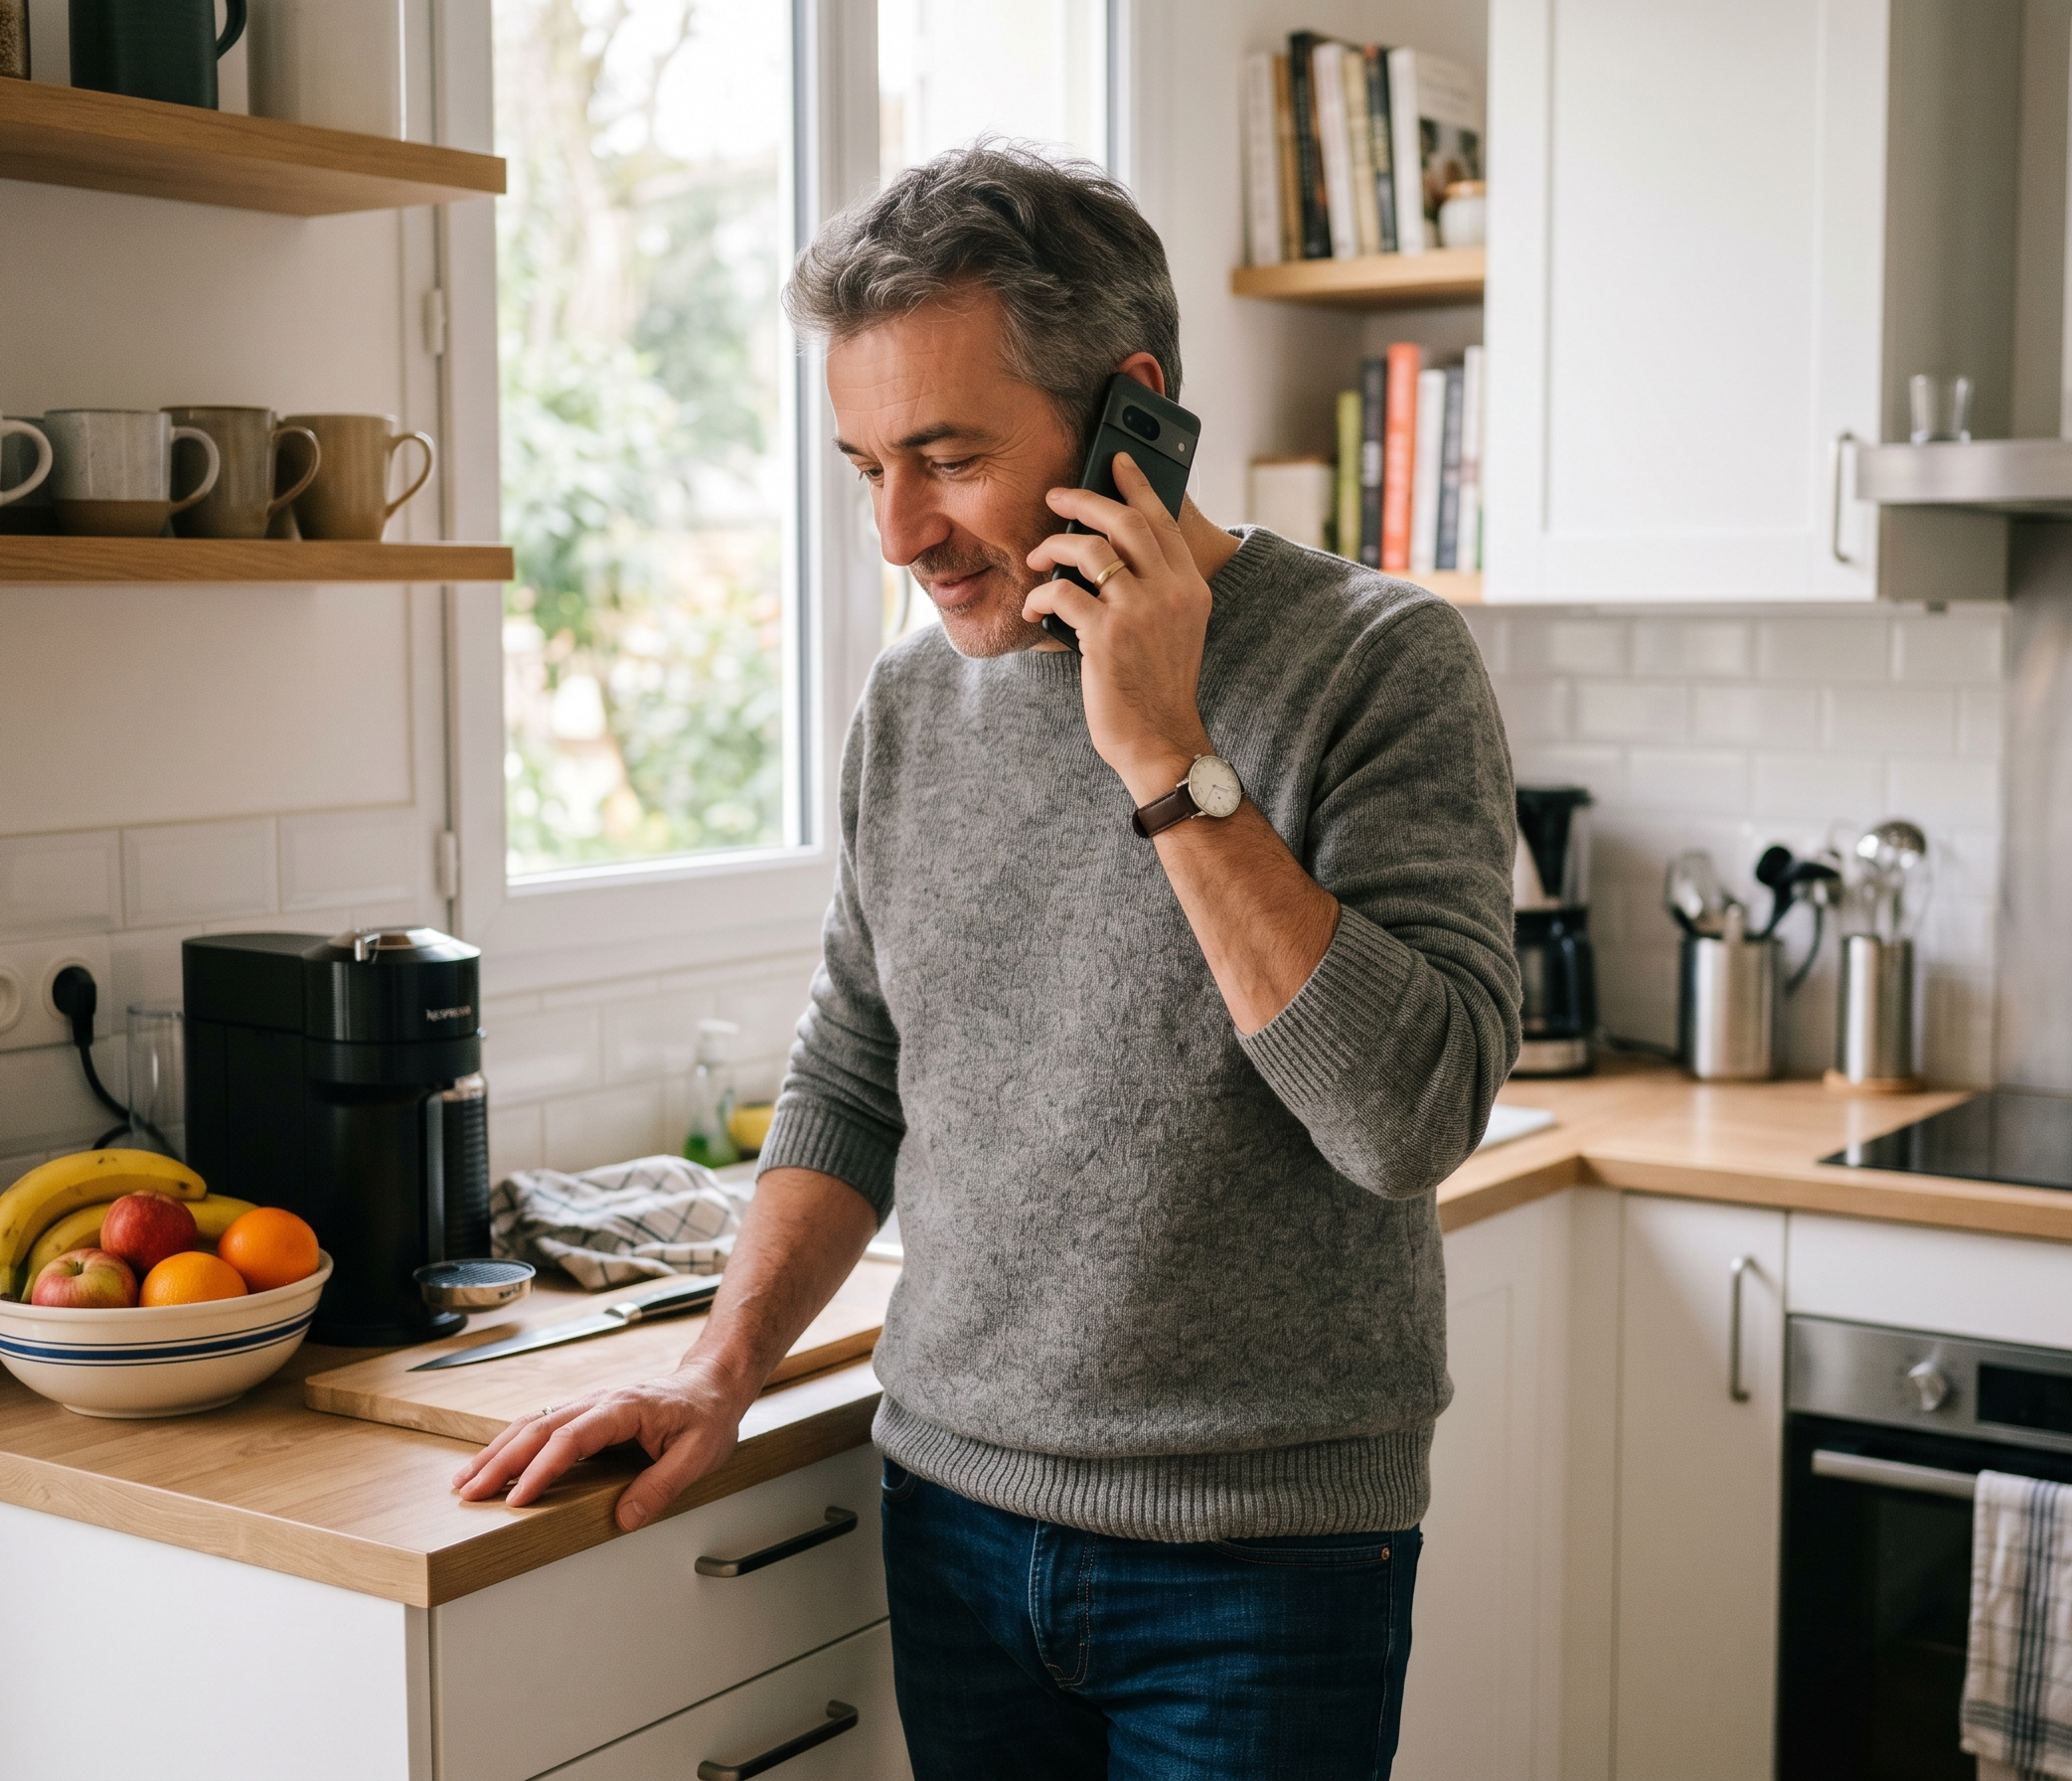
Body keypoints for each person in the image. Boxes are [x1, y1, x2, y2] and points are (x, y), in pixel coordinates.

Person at [452, 142, 1519, 1779]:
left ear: (1127, 412)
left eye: (945, 456)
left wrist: (1163, 748)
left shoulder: (1381, 664)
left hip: (1264, 1557)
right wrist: (716, 1370)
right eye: (863, 464)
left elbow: (1407, 1120)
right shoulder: (909, 705)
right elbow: (853, 1069)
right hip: (950, 1518)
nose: (899, 533)